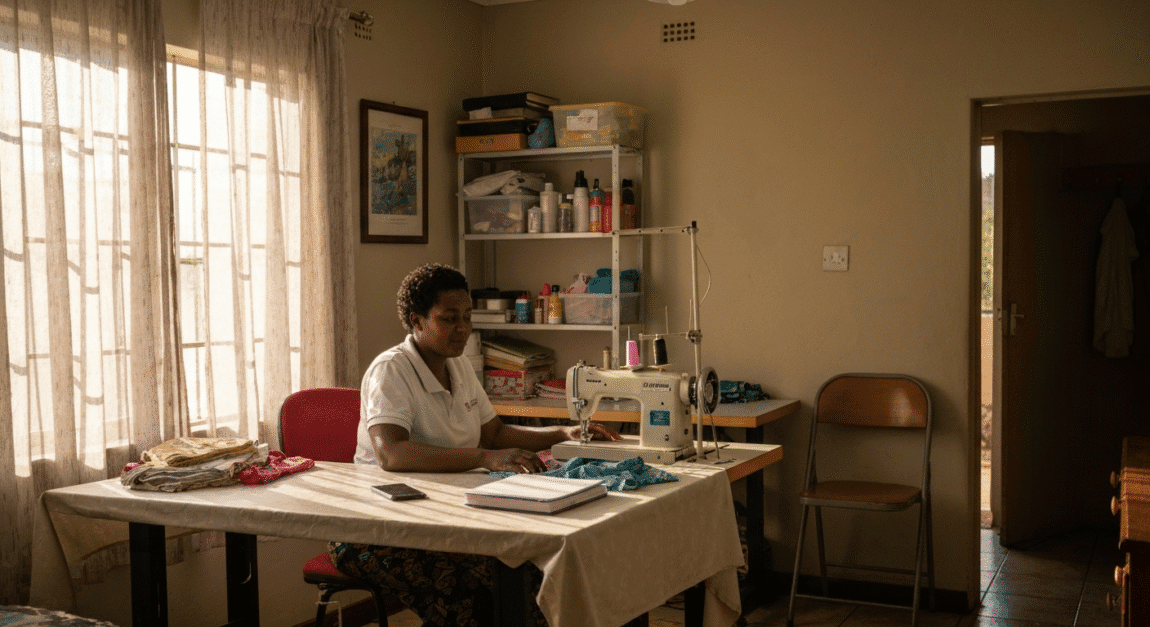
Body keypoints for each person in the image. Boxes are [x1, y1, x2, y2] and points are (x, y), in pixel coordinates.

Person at [328, 263, 620, 627]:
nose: (463, 328)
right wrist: (486, 458)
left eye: (466, 316)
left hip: (443, 514)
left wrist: (561, 433)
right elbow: (392, 453)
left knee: (530, 568)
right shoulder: (391, 371)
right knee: (486, 584)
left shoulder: (459, 365)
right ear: (417, 321)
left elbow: (494, 433)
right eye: (449, 318)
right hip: (377, 529)